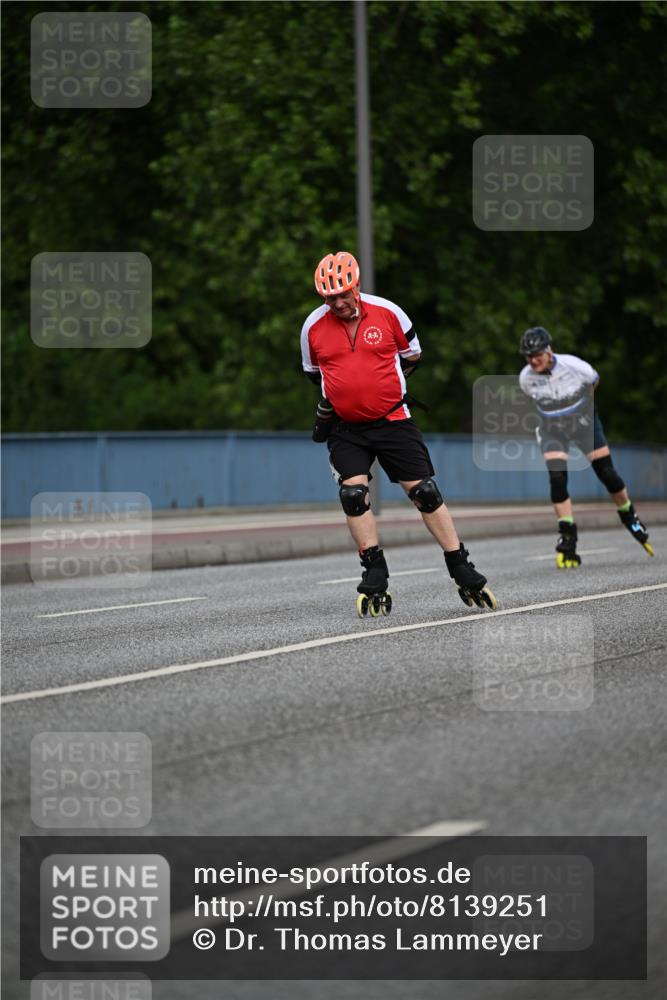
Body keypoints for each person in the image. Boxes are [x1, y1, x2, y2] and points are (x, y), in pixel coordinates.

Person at [301, 250, 497, 616]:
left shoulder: (390, 312)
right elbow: (314, 373)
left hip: (393, 420)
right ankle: (374, 572)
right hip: (346, 428)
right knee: (353, 494)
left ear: (356, 285)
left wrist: (381, 386)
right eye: (330, 298)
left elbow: (413, 356)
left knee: (424, 491)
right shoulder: (312, 327)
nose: (338, 303)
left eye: (344, 293)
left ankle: (459, 564)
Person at [518, 326, 654, 567]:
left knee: (607, 474)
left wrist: (581, 411)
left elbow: (594, 381)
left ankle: (628, 513)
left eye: (538, 354)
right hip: (553, 429)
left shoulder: (573, 366)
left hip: (583, 424)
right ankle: (568, 535)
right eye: (529, 357)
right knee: (557, 479)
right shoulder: (526, 378)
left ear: (549, 350)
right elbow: (534, 400)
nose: (534, 360)